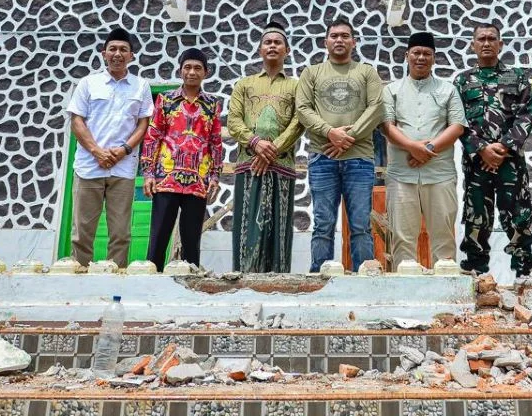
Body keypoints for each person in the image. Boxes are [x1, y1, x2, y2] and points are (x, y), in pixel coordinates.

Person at [295, 17, 385, 272]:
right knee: (323, 225)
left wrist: (348, 137)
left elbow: (377, 108)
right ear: (325, 42)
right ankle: (320, 280)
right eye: (334, 36)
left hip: (360, 159)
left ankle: (364, 279)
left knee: (360, 225)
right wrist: (329, 132)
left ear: (354, 42)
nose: (339, 40)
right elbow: (302, 109)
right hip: (322, 159)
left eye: (345, 36)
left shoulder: (366, 72)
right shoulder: (311, 73)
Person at [454, 22, 532, 277]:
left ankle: (524, 272)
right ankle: (475, 271)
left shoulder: (517, 77)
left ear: (501, 44)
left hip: (510, 163)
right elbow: (457, 120)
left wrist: (503, 147)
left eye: (492, 38)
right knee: (476, 217)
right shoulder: (462, 80)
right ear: (473, 45)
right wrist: (481, 149)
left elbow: (527, 115)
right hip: (476, 164)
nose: (487, 43)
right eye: (481, 39)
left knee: (518, 216)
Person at [65, 27, 154, 268]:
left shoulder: (141, 86)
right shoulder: (88, 83)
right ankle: (78, 280)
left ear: (132, 56)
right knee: (82, 234)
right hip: (89, 168)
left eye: (123, 49)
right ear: (104, 53)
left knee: (121, 234)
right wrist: (97, 151)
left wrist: (124, 149)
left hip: (122, 170)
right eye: (112, 49)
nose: (117, 53)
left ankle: (115, 283)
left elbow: (144, 122)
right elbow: (77, 121)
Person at [381, 31, 466, 268]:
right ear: (407, 55)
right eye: (416, 53)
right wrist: (411, 147)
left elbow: (457, 126)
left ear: (434, 58)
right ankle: (406, 294)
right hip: (401, 175)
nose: (421, 57)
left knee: (444, 239)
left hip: (439, 175)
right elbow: (387, 126)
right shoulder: (392, 90)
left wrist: (427, 149)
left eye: (426, 53)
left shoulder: (447, 90)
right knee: (402, 238)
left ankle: (447, 292)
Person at [227, 22, 304, 272]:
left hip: (281, 165)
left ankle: (279, 279)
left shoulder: (296, 86)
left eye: (277, 42)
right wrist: (256, 143)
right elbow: (234, 120)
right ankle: (243, 277)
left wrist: (274, 148)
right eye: (267, 42)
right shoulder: (244, 84)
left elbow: (299, 120)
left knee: (279, 230)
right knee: (247, 226)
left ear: (287, 50)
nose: (272, 46)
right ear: (260, 50)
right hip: (249, 164)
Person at [142, 48, 223, 269]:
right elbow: (153, 136)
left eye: (197, 68)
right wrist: (148, 173)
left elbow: (215, 142)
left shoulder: (212, 104)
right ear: (180, 71)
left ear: (205, 73)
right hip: (166, 180)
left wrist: (215, 176)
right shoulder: (166, 100)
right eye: (187, 67)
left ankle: (189, 287)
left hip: (197, 182)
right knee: (158, 239)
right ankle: (151, 285)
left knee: (191, 243)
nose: (192, 72)